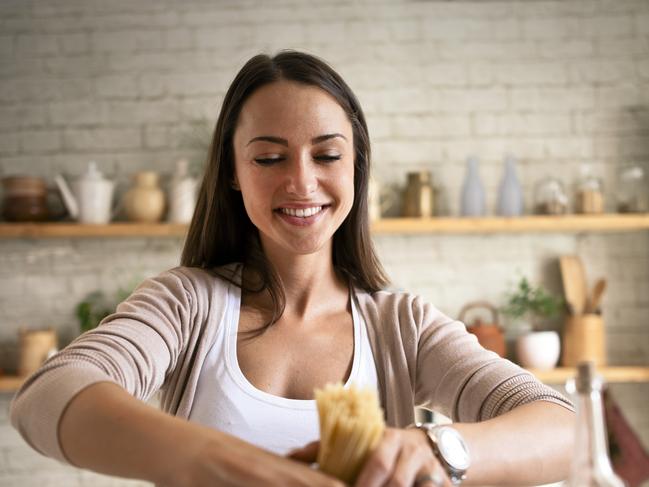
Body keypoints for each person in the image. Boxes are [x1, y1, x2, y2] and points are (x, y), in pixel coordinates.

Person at [10, 50, 575, 487]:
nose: (302, 183)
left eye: (327, 155)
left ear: (355, 167)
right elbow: (48, 395)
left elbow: (562, 427)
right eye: (269, 158)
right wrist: (222, 464)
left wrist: (435, 449)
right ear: (233, 171)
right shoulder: (185, 304)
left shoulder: (402, 326)